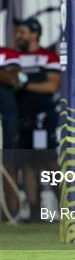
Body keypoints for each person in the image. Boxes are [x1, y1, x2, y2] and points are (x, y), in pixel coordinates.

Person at [13, 18, 61, 222]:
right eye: (17, 32)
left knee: (50, 163)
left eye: (22, 32)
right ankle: (34, 213)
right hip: (20, 119)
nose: (18, 36)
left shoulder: (48, 56)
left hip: (44, 120)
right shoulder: (12, 57)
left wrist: (22, 85)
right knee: (27, 165)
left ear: (35, 34)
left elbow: (52, 86)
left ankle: (66, 209)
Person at [0, 47, 21, 216]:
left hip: (7, 118)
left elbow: (14, 78)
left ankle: (12, 212)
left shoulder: (8, 53)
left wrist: (5, 75)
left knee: (8, 164)